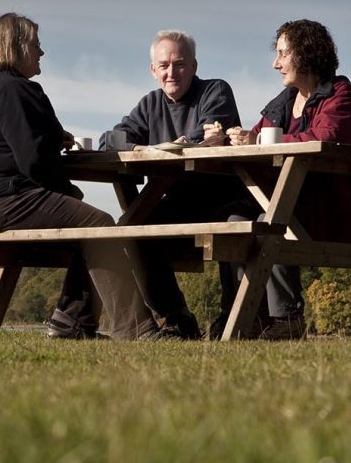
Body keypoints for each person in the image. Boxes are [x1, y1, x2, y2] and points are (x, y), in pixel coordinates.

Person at [0, 13, 157, 340]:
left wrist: (54, 138)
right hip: (5, 198)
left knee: (90, 225)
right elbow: (33, 160)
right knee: (99, 226)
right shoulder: (14, 90)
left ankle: (72, 322)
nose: (42, 52)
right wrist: (68, 191)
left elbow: (26, 143)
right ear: (17, 47)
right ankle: (136, 330)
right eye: (36, 45)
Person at [45, 30, 244, 340]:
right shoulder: (150, 103)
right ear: (153, 70)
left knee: (226, 226)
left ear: (193, 65)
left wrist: (180, 145)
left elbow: (212, 132)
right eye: (163, 65)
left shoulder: (214, 91)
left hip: (222, 198)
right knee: (133, 231)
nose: (171, 72)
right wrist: (156, 147)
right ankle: (175, 317)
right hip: (178, 199)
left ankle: (230, 317)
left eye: (179, 64)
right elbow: (111, 138)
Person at [217, 19, 351, 340]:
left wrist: (261, 143)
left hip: (337, 213)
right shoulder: (283, 103)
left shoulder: (340, 96)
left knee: (270, 219)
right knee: (235, 218)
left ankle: (287, 319)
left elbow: (325, 138)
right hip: (294, 203)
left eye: (282, 54)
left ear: (306, 53)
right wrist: (228, 139)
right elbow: (255, 138)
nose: (275, 63)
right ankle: (244, 315)